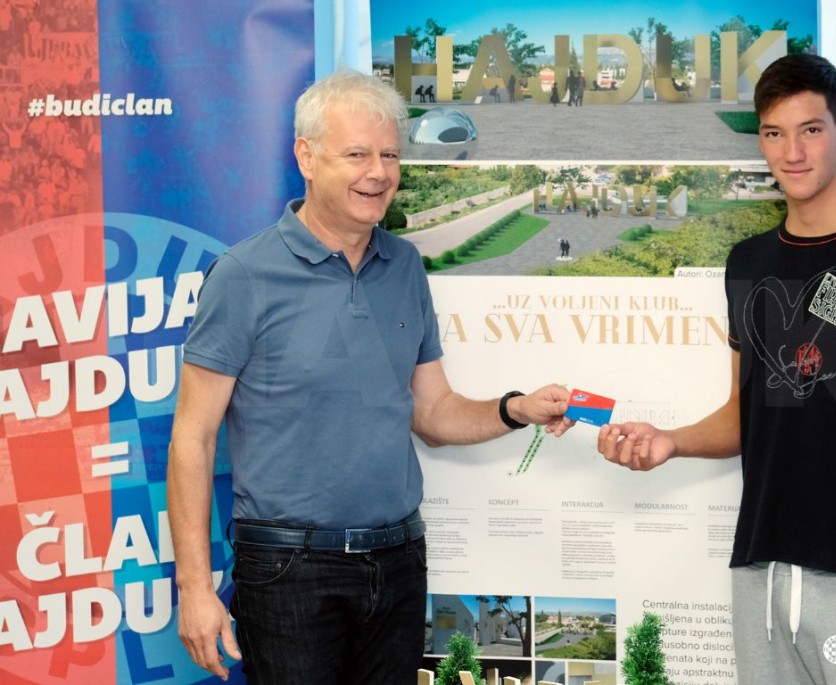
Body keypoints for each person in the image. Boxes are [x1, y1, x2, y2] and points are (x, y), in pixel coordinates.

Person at [168, 69, 574, 685]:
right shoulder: (244, 275)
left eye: (390, 155)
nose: (379, 173)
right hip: (289, 573)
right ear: (306, 158)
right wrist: (195, 588)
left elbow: (432, 413)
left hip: (398, 564)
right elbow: (192, 438)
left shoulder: (404, 264)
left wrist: (517, 408)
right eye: (357, 154)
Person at [598, 53, 836, 684]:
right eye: (774, 133)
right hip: (761, 572)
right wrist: (671, 441)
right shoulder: (748, 262)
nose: (792, 153)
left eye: (811, 130)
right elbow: (748, 412)